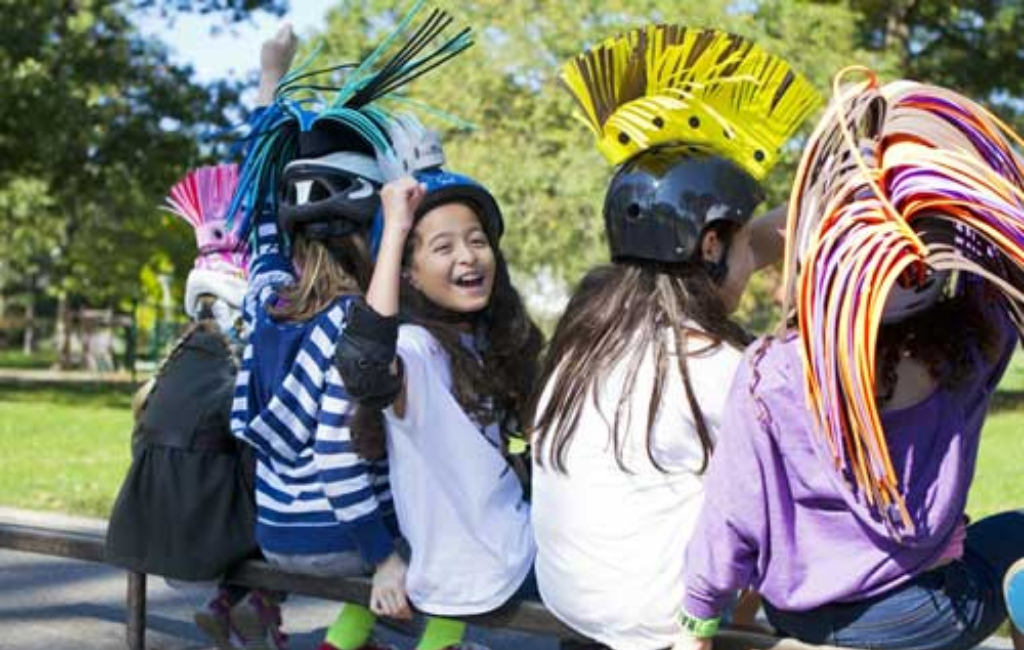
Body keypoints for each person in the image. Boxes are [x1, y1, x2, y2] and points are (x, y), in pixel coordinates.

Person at [676, 69, 1024, 650]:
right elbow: (1001, 270)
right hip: (920, 617)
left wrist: (698, 622)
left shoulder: (773, 369)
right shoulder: (971, 350)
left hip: (798, 616)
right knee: (1017, 532)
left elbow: (730, 516)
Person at [527, 25, 819, 650]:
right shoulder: (717, 365)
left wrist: (819, 196)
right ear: (711, 245)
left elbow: (751, 241)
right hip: (658, 623)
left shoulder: (592, 318)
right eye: (739, 247)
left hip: (571, 601)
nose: (754, 262)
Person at [230, 10, 472, 650]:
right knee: (468, 542)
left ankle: (344, 642)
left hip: (276, 528)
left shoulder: (266, 297)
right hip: (336, 535)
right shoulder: (355, 322)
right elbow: (337, 460)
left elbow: (255, 207)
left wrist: (269, 77)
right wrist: (383, 557)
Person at [336, 167, 543, 650]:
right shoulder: (415, 349)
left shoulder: (483, 343)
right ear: (409, 273)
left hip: (505, 550)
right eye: (444, 247)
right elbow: (365, 367)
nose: (469, 256)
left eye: (477, 241)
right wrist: (395, 231)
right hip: (492, 570)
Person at [106, 159, 275, 650]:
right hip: (201, 544)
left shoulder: (173, 370)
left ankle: (241, 612)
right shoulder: (234, 375)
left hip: (146, 531)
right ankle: (245, 604)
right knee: (292, 525)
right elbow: (253, 454)